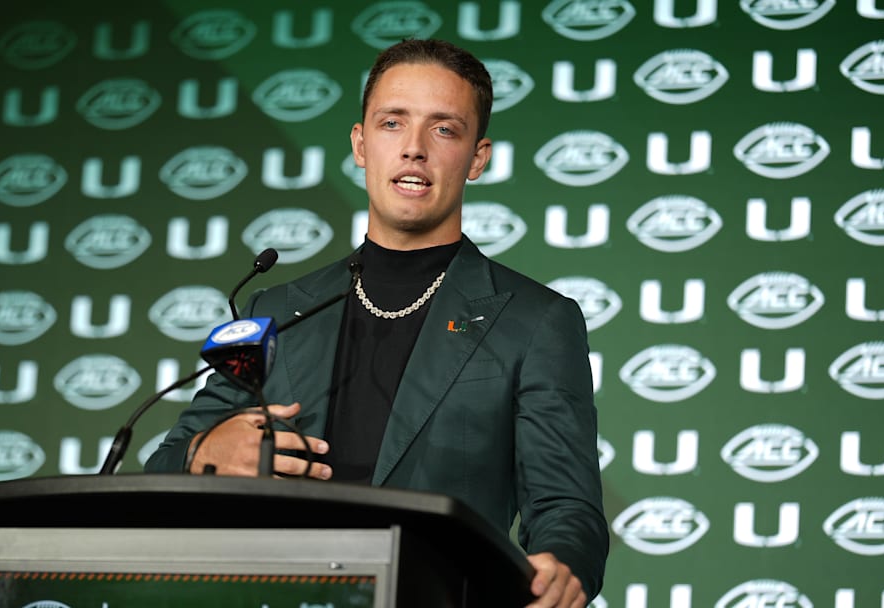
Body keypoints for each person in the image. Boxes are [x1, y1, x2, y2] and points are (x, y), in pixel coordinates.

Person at [145, 39, 608, 608]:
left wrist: (561, 566)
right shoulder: (275, 308)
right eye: (393, 123)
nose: (414, 149)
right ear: (361, 144)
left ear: (478, 157)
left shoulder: (537, 321)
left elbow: (567, 509)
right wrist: (203, 455)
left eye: (444, 130)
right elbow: (165, 462)